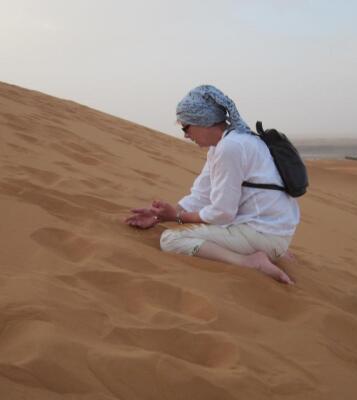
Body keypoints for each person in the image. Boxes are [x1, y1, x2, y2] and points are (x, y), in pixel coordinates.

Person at [125, 85, 300, 284]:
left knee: (171, 240)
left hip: (264, 235)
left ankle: (249, 262)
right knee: (206, 223)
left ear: (203, 121)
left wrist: (177, 218)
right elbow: (201, 195)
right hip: (271, 232)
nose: (185, 135)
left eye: (186, 127)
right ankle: (268, 249)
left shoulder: (231, 148)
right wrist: (160, 216)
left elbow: (222, 212)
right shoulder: (226, 145)